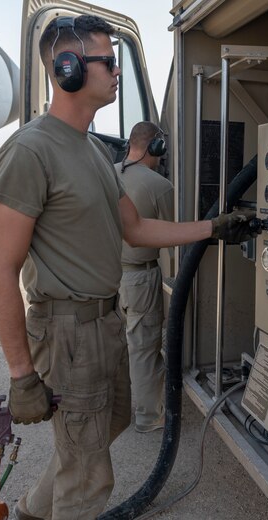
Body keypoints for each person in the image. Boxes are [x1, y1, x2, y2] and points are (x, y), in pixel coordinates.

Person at [0, 15, 255, 520]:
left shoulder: (92, 152)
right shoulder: (29, 151)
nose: (115, 72)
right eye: (107, 62)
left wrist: (212, 229)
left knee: (103, 430)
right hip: (66, 331)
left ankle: (31, 511)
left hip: (107, 320)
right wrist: (22, 374)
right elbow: (0, 272)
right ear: (67, 70)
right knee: (89, 475)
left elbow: (134, 229)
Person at [115, 121, 173, 434]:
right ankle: (150, 417)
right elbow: (171, 232)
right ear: (157, 147)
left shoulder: (106, 173)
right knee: (145, 347)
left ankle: (117, 410)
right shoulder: (159, 185)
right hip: (140, 279)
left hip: (107, 277)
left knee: (117, 345)